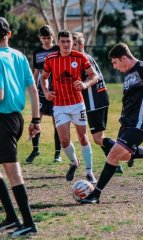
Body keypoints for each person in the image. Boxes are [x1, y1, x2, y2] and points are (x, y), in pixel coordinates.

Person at [80, 42, 143, 204]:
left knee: (113, 154)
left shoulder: (142, 68)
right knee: (125, 155)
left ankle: (96, 195)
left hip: (141, 123)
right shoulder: (128, 74)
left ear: (123, 58)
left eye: (115, 62)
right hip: (127, 123)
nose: (114, 67)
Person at [41, 30, 99, 183]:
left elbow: (94, 76)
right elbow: (44, 78)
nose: (66, 44)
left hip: (77, 103)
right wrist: (46, 91)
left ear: (73, 43)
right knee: (64, 140)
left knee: (82, 137)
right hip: (59, 105)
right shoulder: (51, 58)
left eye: (68, 42)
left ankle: (89, 172)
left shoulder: (80, 57)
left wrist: (85, 84)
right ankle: (74, 162)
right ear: (58, 43)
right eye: (63, 41)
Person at [0, 17, 39, 236]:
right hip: (17, 118)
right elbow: (33, 91)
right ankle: (11, 217)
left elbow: (0, 94)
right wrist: (36, 121)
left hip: (3, 121)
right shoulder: (19, 55)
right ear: (9, 34)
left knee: (14, 174)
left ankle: (29, 223)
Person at [72, 32, 123, 174]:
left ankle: (124, 151)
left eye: (74, 44)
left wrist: (83, 84)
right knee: (99, 136)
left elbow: (95, 77)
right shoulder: (83, 58)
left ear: (81, 45)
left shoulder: (83, 58)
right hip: (99, 99)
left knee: (98, 138)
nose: (71, 46)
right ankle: (116, 163)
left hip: (95, 101)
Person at [26, 25, 62, 163]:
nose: (46, 40)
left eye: (48, 37)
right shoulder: (37, 52)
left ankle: (57, 154)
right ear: (40, 38)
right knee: (36, 120)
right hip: (41, 92)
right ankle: (35, 150)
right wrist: (33, 88)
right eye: (43, 38)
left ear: (52, 37)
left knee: (56, 122)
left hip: (56, 92)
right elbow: (36, 72)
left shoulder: (57, 50)